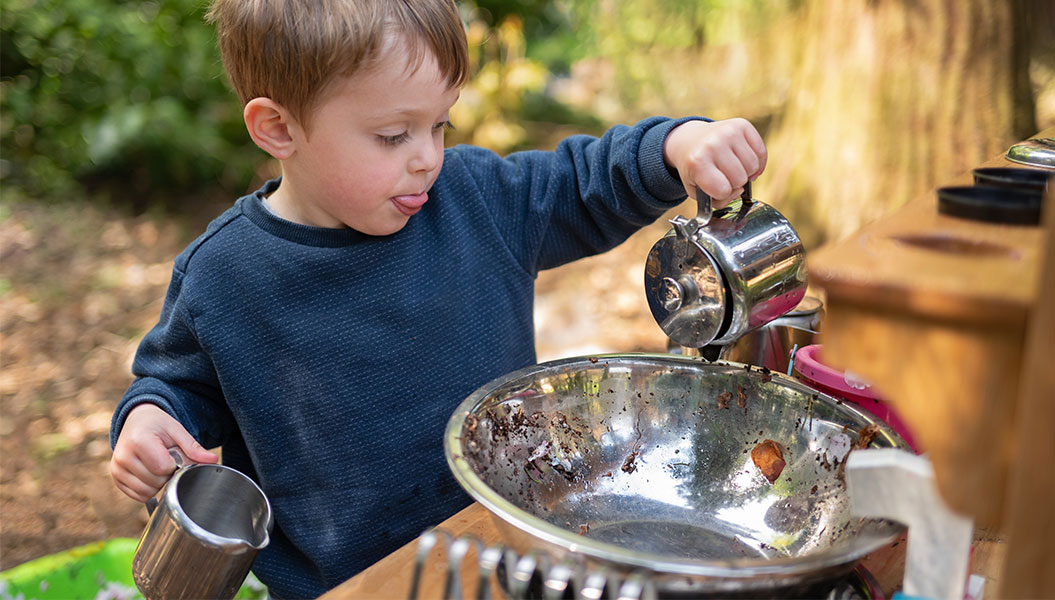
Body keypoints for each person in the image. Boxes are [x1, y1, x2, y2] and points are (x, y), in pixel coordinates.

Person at [108, 0, 767, 597]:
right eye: (394, 136)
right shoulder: (225, 277)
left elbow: (580, 184)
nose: (427, 158)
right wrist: (149, 423)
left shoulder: (473, 199)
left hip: (508, 555)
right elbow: (178, 391)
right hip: (349, 588)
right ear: (277, 128)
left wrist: (675, 145)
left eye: (439, 125)